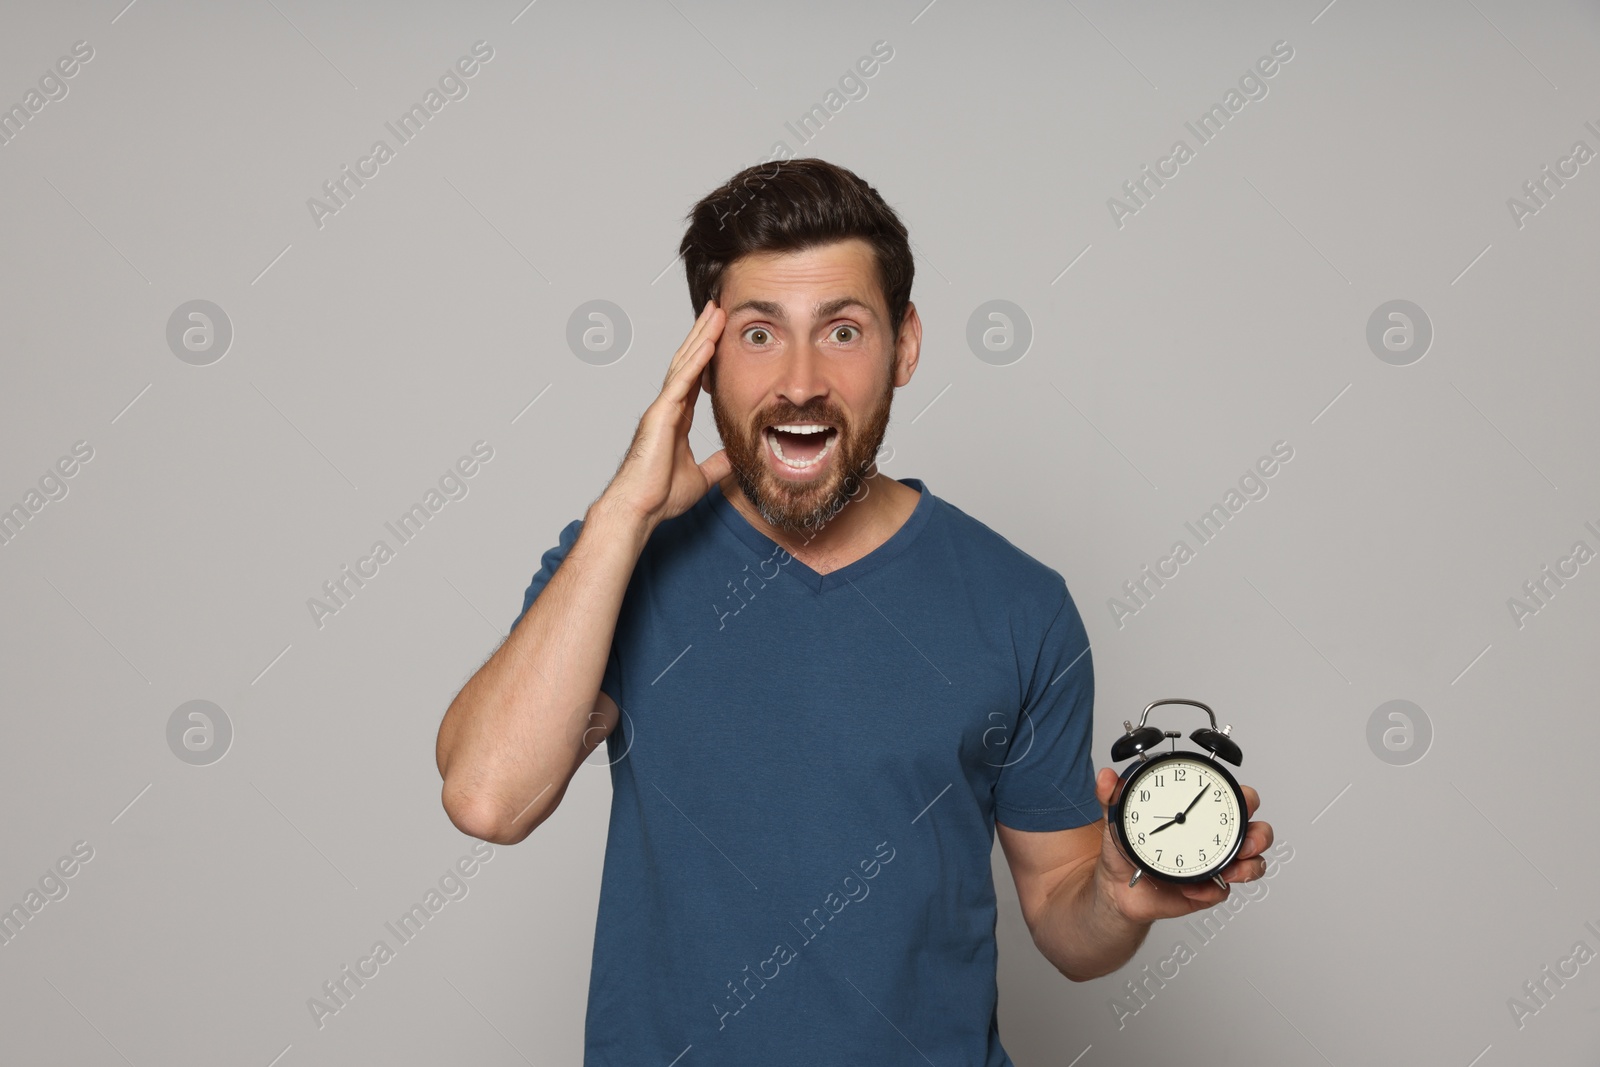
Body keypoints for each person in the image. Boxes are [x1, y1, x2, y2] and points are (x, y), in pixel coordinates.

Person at [434, 157, 1273, 1065]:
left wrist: (1113, 893)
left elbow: (1069, 925)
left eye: (842, 329)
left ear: (905, 343)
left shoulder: (1020, 603)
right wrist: (624, 511)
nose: (799, 381)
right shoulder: (615, 562)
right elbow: (487, 797)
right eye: (758, 334)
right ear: (702, 357)